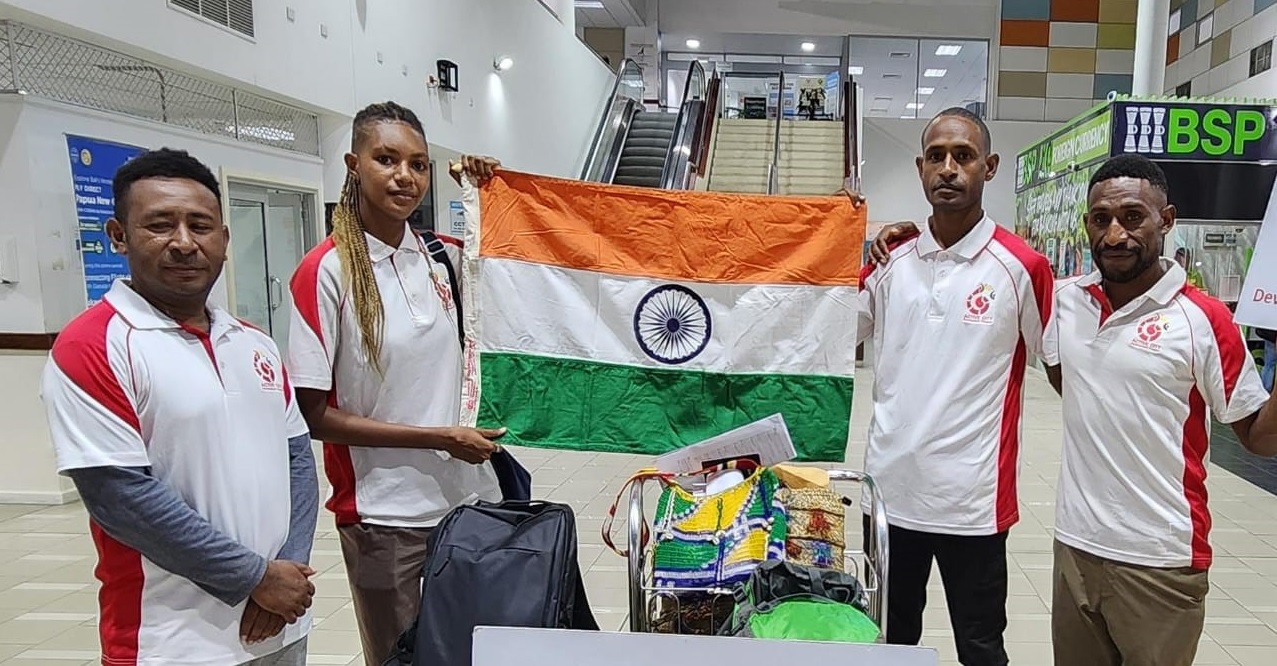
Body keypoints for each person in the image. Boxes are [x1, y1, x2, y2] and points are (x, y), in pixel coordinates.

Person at [41, 148, 319, 665]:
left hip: (280, 620)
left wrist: (288, 572)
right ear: (119, 236)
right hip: (169, 638)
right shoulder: (93, 345)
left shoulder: (254, 343)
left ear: (225, 240)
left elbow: (297, 460)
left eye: (201, 225)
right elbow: (121, 498)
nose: (185, 243)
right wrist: (254, 578)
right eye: (160, 225)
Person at [286, 101, 505, 665]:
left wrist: (489, 193)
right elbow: (314, 415)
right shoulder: (327, 270)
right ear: (353, 163)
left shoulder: (444, 259)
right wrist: (439, 437)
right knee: (399, 657)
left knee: (470, 652)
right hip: (386, 518)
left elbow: (517, 263)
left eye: (419, 163)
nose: (404, 176)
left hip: (470, 503)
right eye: (386, 159)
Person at [1041, 154, 1277, 666]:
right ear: (1087, 225)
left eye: (1133, 217)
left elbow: (1260, 436)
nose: (1115, 234)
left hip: (1161, 562)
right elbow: (1062, 374)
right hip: (1076, 551)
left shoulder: (1203, 320)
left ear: (1165, 220)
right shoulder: (1066, 303)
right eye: (1101, 219)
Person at [855, 107, 1054, 665]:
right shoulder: (890, 260)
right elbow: (832, 333)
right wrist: (856, 249)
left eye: (963, 156)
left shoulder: (1023, 267)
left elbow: (1062, 362)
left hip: (973, 504)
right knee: (889, 644)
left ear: (988, 167)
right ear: (920, 168)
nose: (949, 168)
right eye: (936, 157)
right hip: (890, 497)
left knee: (982, 646)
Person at [1258, 327, 1276, 392]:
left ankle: (1264, 390)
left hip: (1270, 334)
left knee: (1269, 365)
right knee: (1270, 364)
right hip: (1272, 334)